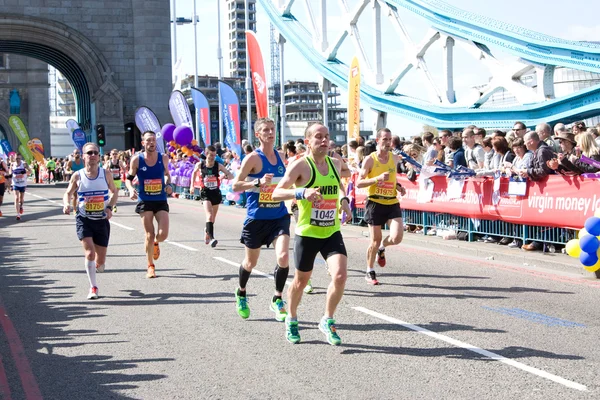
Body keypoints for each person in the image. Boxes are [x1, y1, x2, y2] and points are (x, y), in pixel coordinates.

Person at [272, 122, 352, 345]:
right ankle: (292, 317)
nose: (324, 140)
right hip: (307, 233)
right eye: (319, 137)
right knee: (300, 281)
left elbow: (339, 185)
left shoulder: (335, 163)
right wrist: (301, 192)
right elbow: (276, 193)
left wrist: (344, 201)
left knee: (340, 276)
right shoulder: (300, 166)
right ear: (308, 141)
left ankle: (327, 319)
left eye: (327, 136)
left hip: (331, 231)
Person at [231, 118, 291, 322]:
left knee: (283, 257)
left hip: (279, 216)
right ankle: (241, 292)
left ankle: (277, 298)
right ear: (258, 134)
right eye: (266, 130)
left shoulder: (282, 156)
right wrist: (256, 182)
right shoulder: (252, 159)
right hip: (256, 218)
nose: (270, 133)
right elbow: (235, 186)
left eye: (273, 129)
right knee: (250, 262)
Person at [62, 143, 118, 299]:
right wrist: (66, 203)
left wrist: (110, 207)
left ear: (99, 157)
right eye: (89, 153)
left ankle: (98, 267)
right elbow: (67, 193)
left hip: (101, 220)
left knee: (100, 262)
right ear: (84, 155)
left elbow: (114, 192)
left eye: (95, 153)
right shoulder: (78, 176)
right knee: (90, 253)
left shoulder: (105, 174)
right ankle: (93, 287)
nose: (92, 155)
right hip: (84, 219)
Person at [356, 128, 406, 285]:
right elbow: (359, 182)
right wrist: (376, 178)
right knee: (374, 240)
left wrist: (398, 187)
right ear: (377, 140)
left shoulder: (395, 158)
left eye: (389, 139)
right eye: (384, 139)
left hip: (391, 202)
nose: (387, 142)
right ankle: (369, 270)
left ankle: (382, 248)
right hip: (375, 202)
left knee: (397, 237)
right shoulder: (370, 160)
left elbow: (391, 178)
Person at [125, 131, 173, 279]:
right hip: (145, 200)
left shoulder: (163, 158)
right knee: (149, 234)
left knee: (162, 234)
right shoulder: (137, 160)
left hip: (160, 199)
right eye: (148, 140)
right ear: (143, 143)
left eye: (154, 140)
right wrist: (131, 189)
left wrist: (168, 184)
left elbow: (167, 174)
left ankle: (156, 243)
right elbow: (128, 178)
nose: (152, 143)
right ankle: (150, 266)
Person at [190, 145, 233, 247]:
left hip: (216, 193)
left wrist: (224, 176)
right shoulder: (200, 165)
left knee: (212, 219)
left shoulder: (218, 166)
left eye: (214, 155)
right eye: (210, 155)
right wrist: (192, 186)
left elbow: (230, 175)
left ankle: (207, 230)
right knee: (209, 215)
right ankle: (212, 238)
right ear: (206, 154)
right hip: (205, 192)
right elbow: (194, 173)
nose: (212, 157)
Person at [10, 154, 31, 221]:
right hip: (15, 183)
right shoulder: (12, 164)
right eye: (16, 158)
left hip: (23, 183)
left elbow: (30, 171)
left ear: (20, 158)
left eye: (19, 158)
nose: (17, 160)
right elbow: (10, 173)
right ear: (14, 158)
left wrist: (24, 172)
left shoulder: (24, 164)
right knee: (16, 198)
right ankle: (18, 214)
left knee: (21, 198)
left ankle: (21, 206)